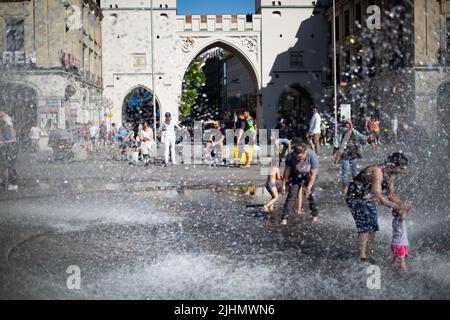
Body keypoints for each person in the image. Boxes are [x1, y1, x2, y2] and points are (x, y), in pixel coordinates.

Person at [345, 152, 412, 264]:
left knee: (373, 227)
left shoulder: (390, 175)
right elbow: (378, 196)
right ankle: (362, 257)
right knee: (365, 228)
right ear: (394, 165)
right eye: (401, 168)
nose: (403, 171)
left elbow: (391, 194)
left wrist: (402, 205)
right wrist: (396, 206)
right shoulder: (377, 171)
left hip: (368, 198)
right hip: (355, 198)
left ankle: (368, 254)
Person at [281, 144, 319, 225]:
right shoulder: (290, 156)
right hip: (295, 176)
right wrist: (284, 184)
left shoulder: (312, 156)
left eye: (301, 158)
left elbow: (314, 174)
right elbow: (287, 170)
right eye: (297, 158)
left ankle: (314, 216)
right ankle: (284, 218)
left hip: (308, 176)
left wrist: (308, 188)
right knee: (291, 196)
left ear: (305, 152)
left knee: (311, 195)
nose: (299, 160)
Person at [333, 120, 373, 194]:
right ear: (343, 126)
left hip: (353, 155)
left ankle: (357, 186)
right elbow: (336, 144)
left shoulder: (354, 132)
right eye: (345, 127)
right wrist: (335, 154)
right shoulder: (339, 133)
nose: (347, 128)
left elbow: (362, 137)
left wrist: (369, 139)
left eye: (348, 127)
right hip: (345, 155)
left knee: (355, 172)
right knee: (345, 172)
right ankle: (345, 187)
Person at [0, 117, 19, 191]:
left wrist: (5, 142)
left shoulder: (11, 130)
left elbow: (14, 140)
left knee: (10, 166)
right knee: (4, 166)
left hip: (10, 150)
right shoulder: (3, 131)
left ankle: (13, 183)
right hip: (5, 150)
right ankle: (4, 183)